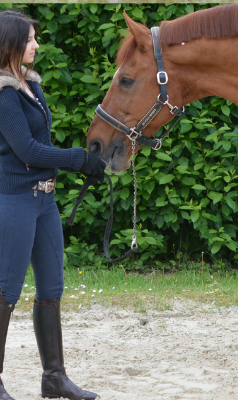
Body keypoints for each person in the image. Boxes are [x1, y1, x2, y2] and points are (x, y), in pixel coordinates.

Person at [0, 10, 105, 400]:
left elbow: (40, 149)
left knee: (51, 288)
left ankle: (54, 378)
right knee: (6, 291)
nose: (36, 45)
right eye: (30, 39)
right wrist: (78, 159)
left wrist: (75, 166)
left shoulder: (31, 87)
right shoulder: (4, 93)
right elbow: (26, 150)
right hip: (15, 201)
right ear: (10, 42)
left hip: (45, 201)